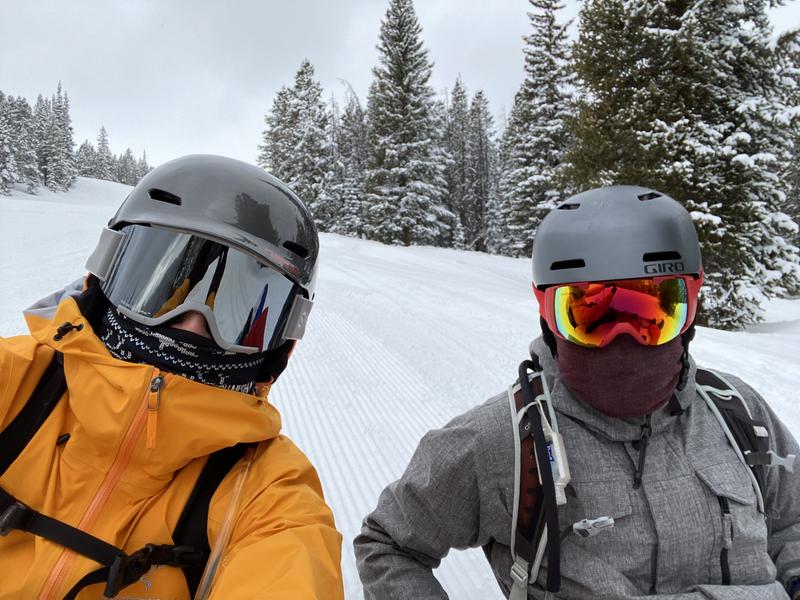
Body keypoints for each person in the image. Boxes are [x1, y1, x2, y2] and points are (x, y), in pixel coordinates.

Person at [354, 186, 800, 600]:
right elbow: (389, 544)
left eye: (653, 312)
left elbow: (792, 521)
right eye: (589, 314)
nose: (622, 339)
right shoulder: (503, 442)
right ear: (547, 315)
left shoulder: (737, 413)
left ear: (692, 305)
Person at [0, 155, 343, 599]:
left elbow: (293, 569)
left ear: (281, 340)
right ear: (104, 279)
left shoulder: (268, 494)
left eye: (238, 313)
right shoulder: (16, 382)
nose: (191, 326)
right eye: (159, 292)